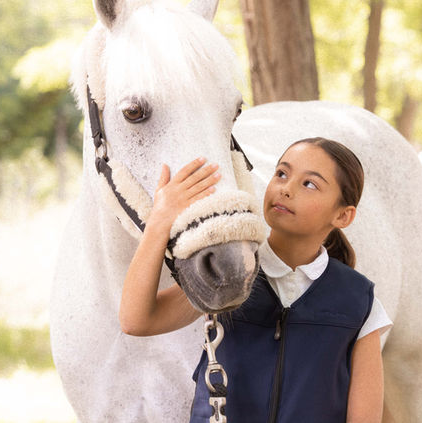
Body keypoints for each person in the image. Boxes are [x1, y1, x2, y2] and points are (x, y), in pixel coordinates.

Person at [120, 137, 392, 423]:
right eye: (282, 174)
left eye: (309, 184)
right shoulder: (230, 273)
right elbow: (136, 320)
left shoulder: (359, 302)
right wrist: (160, 220)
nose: (286, 189)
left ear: (343, 215)